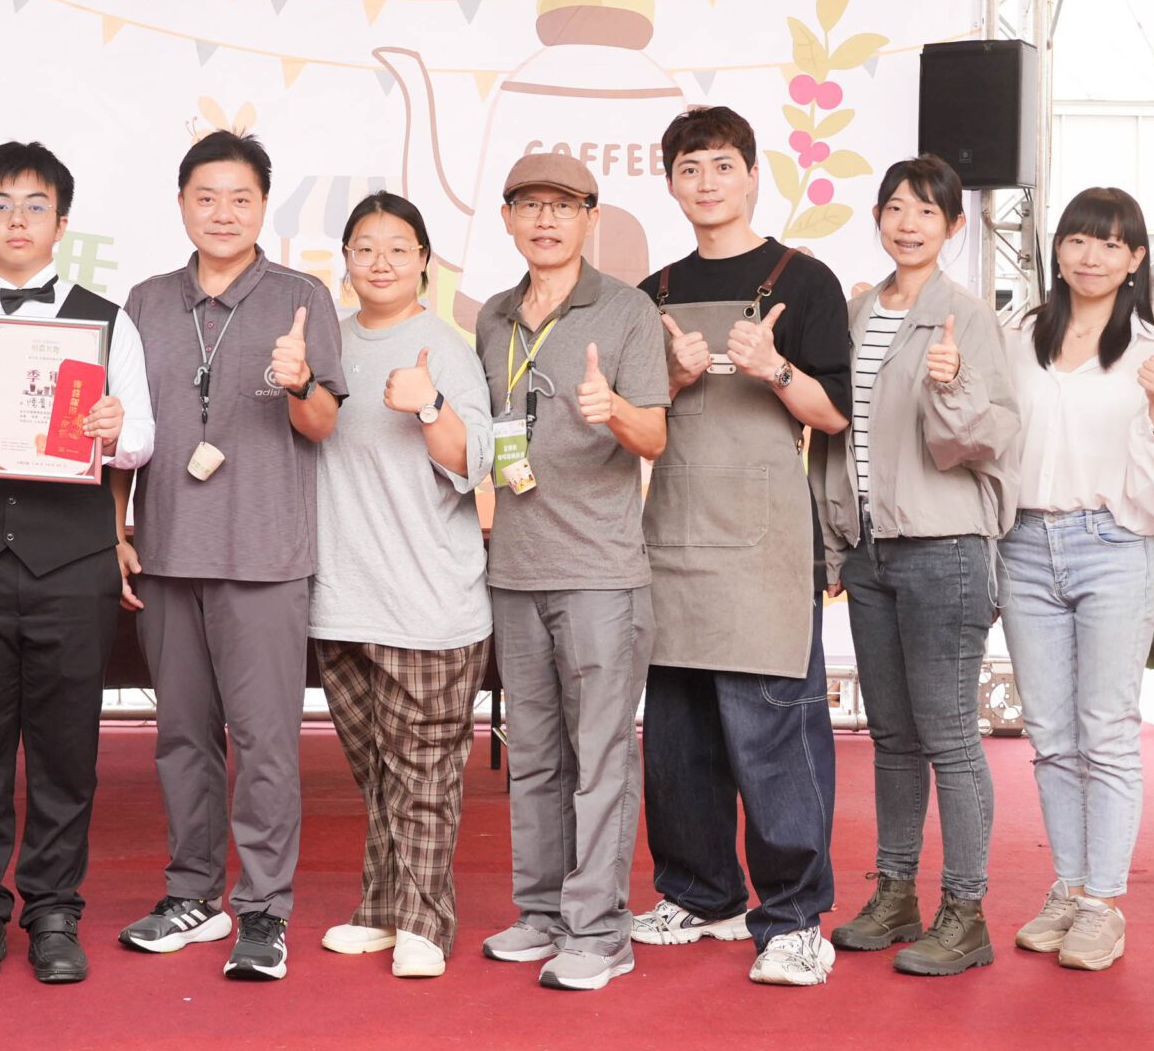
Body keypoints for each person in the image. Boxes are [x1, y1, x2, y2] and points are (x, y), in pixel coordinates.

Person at [0, 142, 153, 984]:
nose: (18, 220)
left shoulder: (106, 320)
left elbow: (145, 435)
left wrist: (115, 428)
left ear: (62, 221)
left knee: (65, 749)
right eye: (2, 205)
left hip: (72, 565)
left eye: (36, 205)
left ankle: (53, 910)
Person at [629, 107, 852, 987]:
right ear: (671, 183)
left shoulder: (805, 280)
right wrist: (672, 375)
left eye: (723, 165)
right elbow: (635, 419)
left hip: (764, 544)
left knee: (774, 735)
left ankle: (795, 917)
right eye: (690, 168)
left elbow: (835, 414)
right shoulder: (651, 292)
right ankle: (700, 892)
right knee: (677, 736)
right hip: (674, 533)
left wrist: (774, 368)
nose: (707, 182)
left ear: (754, 175)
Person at [115, 130, 345, 981]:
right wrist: (115, 528)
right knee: (181, 737)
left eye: (240, 198)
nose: (222, 212)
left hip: (264, 555)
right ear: (181, 203)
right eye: (206, 196)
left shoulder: (301, 297)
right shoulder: (144, 301)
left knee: (266, 741)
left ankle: (264, 908)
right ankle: (192, 894)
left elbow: (325, 423)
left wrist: (299, 382)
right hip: (167, 550)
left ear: (263, 206)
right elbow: (121, 429)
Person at [814, 155, 1020, 978]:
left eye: (927, 211)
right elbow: (835, 434)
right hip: (871, 550)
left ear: (955, 226)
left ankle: (965, 911)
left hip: (945, 548)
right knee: (892, 736)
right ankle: (895, 892)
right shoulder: (858, 311)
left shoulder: (966, 317)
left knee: (950, 737)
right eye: (896, 207)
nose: (908, 223)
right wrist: (836, 540)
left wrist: (954, 382)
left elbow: (990, 436)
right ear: (877, 216)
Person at [475, 151, 671, 993]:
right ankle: (542, 912)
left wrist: (613, 409)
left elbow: (655, 435)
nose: (546, 220)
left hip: (599, 571)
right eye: (530, 205)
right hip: (515, 566)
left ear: (591, 217)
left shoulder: (626, 309)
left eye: (564, 205)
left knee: (601, 758)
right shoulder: (492, 317)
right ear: (508, 219)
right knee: (534, 756)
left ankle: (599, 930)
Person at [998, 187, 1154, 973]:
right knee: (1050, 733)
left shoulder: (1152, 349)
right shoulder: (1019, 333)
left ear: (1136, 259)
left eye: (1112, 244)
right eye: (1079, 239)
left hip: (1113, 545)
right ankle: (1071, 884)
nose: (1091, 256)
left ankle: (1103, 903)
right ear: (1057, 249)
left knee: (1106, 729)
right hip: (1024, 542)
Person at [309, 193, 495, 980]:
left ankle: (424, 921)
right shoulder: (326, 345)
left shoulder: (443, 347)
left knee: (424, 771)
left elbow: (473, 461)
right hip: (342, 599)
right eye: (364, 246)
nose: (380, 261)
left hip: (429, 601)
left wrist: (430, 405)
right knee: (379, 772)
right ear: (345, 260)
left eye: (397, 247)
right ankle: (383, 909)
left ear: (423, 260)